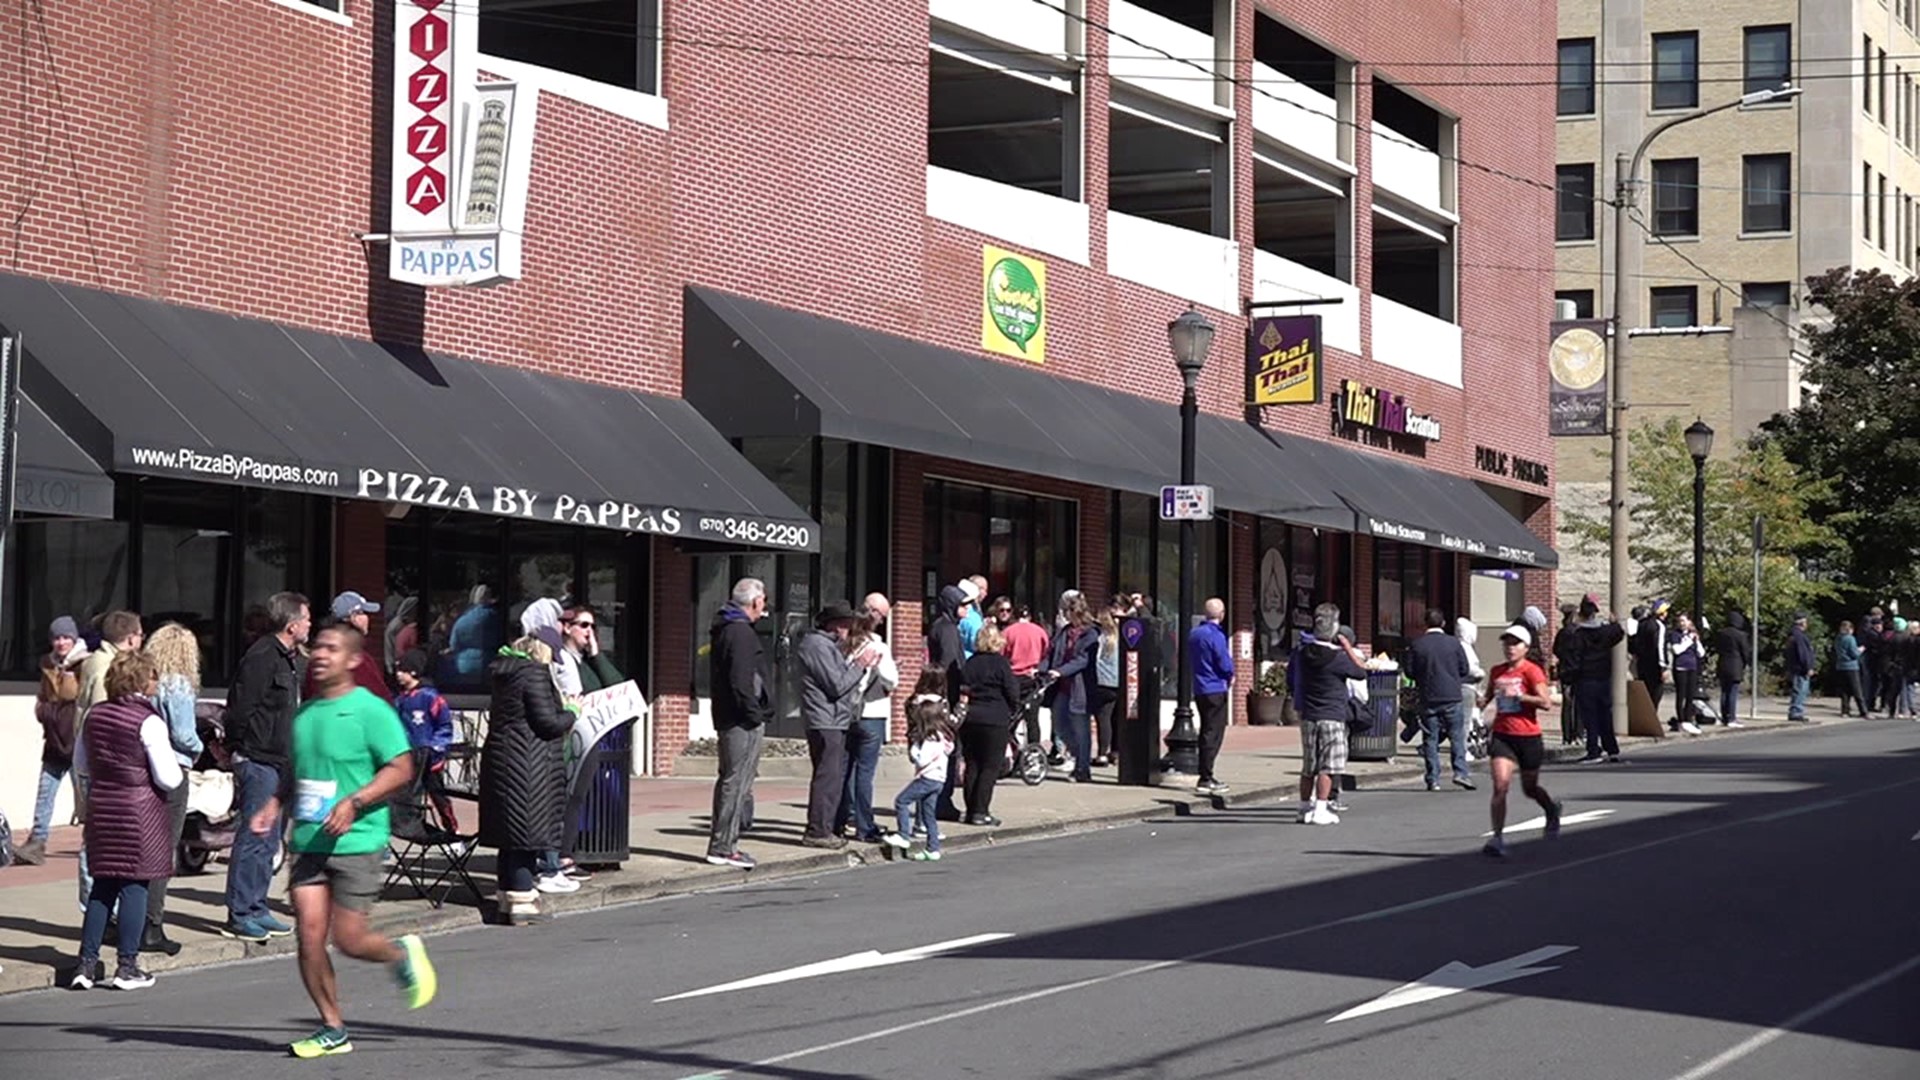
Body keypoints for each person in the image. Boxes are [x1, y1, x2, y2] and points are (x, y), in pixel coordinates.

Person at [248, 624, 435, 1057]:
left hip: (358, 839)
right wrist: (273, 805)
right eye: (317, 648)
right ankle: (333, 1027)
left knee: (349, 940)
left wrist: (355, 802)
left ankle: (401, 956)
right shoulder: (306, 715)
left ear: (352, 660)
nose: (320, 655)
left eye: (331, 649)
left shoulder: (371, 711)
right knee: (309, 937)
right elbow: (297, 773)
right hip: (311, 840)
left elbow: (401, 768)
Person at [68, 650, 181, 992]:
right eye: (153, 677)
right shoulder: (149, 721)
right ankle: (127, 966)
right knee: (135, 884)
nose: (156, 683)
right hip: (139, 809)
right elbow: (169, 778)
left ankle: (86, 965)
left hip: (103, 806)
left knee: (102, 885)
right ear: (142, 680)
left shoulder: (94, 715)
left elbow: (82, 765)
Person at [223, 592, 309, 942]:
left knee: (270, 839)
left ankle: (257, 906)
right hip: (258, 759)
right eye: (306, 619)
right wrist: (237, 747)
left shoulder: (288, 658)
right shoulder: (262, 656)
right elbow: (240, 709)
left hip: (280, 761)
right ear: (291, 625)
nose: (309, 625)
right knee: (254, 836)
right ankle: (240, 912)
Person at [478, 635, 575, 926]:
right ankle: (522, 901)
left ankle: (507, 898)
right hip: (531, 763)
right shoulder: (534, 673)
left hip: (502, 760)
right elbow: (547, 723)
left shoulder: (504, 674)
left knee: (510, 837)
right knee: (526, 835)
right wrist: (572, 712)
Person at [71, 610, 144, 912]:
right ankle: (97, 908)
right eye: (140, 634)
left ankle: (99, 907)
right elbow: (104, 722)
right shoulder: (106, 669)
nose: (142, 639)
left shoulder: (95, 661)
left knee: (98, 837)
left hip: (92, 765)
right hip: (100, 768)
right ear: (129, 639)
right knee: (99, 839)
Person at [141, 623, 204, 957]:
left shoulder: (147, 683)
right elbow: (183, 734)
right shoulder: (178, 685)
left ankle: (134, 920)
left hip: (145, 767)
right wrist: (199, 750)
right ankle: (153, 924)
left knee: (144, 846)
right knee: (164, 849)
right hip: (173, 767)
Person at [797, 600, 877, 848]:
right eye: (845, 625)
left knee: (832, 776)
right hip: (825, 720)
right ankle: (818, 831)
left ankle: (824, 827)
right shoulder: (817, 646)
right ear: (833, 625)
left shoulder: (827, 646)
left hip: (834, 719)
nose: (848, 630)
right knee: (827, 777)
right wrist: (860, 665)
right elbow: (836, 685)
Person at [1480, 625, 1563, 858]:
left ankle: (1551, 809)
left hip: (1528, 737)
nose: (1510, 648)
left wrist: (1521, 697)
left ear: (1525, 648)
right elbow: (1487, 698)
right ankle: (1497, 838)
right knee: (1500, 786)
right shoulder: (1497, 671)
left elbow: (1546, 702)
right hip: (1502, 735)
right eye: (1507, 643)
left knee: (1530, 788)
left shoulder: (1532, 671)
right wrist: (1480, 704)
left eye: (1515, 643)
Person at [705, 579, 771, 869]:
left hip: (731, 715)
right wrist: (753, 714)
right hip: (740, 720)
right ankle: (723, 846)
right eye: (763, 601)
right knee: (737, 781)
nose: (765, 607)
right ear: (755, 602)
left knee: (734, 780)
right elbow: (740, 680)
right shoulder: (740, 632)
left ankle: (725, 844)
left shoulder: (727, 628)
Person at [18, 616, 89, 866]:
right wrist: (43, 711)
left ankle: (95, 840)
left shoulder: (84, 664)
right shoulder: (47, 664)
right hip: (54, 740)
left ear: (74, 638)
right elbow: (44, 697)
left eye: (65, 637)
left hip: (77, 741)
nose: (60, 642)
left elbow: (78, 699)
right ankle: (37, 841)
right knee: (45, 792)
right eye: (57, 638)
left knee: (85, 795)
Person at [1294, 605, 1368, 825]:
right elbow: (1361, 671)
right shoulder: (1338, 658)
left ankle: (1303, 807)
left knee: (1309, 765)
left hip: (1309, 714)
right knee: (1328, 765)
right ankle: (1321, 808)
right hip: (1332, 714)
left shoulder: (1303, 653)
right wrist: (1347, 648)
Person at [837, 594, 899, 844]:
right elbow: (892, 679)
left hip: (848, 714)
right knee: (865, 773)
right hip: (872, 714)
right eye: (881, 616)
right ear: (872, 614)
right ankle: (864, 825)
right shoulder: (877, 646)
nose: (882, 621)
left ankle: (841, 820)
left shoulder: (844, 644)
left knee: (846, 770)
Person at [1406, 608, 1473, 793]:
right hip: (1452, 695)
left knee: (1430, 738)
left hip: (1428, 696)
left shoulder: (1417, 644)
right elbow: (1464, 669)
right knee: (1456, 736)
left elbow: (1409, 671)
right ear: (1443, 623)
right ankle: (1460, 772)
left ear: (1425, 624)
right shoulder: (1453, 643)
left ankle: (1433, 779)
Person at [882, 692, 955, 862]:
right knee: (929, 814)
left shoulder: (930, 739)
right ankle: (933, 848)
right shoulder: (943, 738)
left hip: (927, 779)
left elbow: (921, 760)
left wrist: (914, 747)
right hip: (938, 780)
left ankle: (903, 835)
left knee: (901, 801)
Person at [959, 623, 1019, 826]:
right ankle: (981, 811)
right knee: (990, 767)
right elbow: (1012, 691)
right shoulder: (1001, 664)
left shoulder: (970, 663)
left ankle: (970, 810)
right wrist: (1014, 708)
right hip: (995, 719)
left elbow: (964, 688)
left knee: (972, 765)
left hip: (971, 718)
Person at [393, 650, 458, 830]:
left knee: (438, 795)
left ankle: (452, 830)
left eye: (402, 670)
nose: (397, 675)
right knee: (403, 796)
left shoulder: (430, 697)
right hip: (408, 756)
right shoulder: (399, 700)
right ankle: (409, 828)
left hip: (430, 758)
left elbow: (444, 725)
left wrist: (436, 748)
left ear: (413, 672)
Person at [1561, 597, 1627, 763]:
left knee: (1590, 717)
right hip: (1603, 678)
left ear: (1581, 614)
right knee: (1605, 714)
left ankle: (1593, 750)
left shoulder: (1578, 635)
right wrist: (1615, 622)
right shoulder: (1605, 632)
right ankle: (1611, 749)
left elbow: (1573, 659)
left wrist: (1568, 678)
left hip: (1585, 679)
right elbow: (1618, 633)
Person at [1044, 591, 1100, 783]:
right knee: (1059, 723)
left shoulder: (1091, 633)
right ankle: (1079, 756)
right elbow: (1051, 653)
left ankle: (1083, 768)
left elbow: (1083, 660)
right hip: (1062, 687)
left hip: (1080, 689)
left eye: (1068, 612)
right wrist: (1041, 669)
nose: (1066, 615)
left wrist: (1060, 671)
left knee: (1080, 727)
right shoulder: (1064, 632)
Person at [304, 592, 389, 700]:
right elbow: (380, 698)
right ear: (354, 617)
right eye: (362, 612)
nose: (367, 618)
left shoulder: (317, 659)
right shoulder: (357, 660)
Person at [1189, 598, 1235, 795]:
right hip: (1215, 687)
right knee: (1213, 733)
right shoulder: (1216, 636)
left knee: (1206, 730)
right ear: (1222, 614)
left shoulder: (1194, 634)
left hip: (1200, 687)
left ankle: (1205, 774)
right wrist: (1230, 675)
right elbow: (1223, 661)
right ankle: (1206, 777)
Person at [1004, 603, 1052, 753]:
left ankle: (1013, 750)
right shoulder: (1040, 632)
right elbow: (1046, 653)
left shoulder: (1007, 632)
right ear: (1029, 616)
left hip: (1013, 678)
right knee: (1032, 720)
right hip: (1032, 677)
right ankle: (1033, 754)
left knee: (1011, 718)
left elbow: (1002, 654)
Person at [926, 585, 968, 711]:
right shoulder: (947, 629)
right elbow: (949, 659)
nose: (967, 608)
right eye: (962, 605)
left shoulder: (943, 625)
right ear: (952, 605)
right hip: (948, 688)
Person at [1090, 603, 1122, 768]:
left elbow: (1094, 660)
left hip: (1103, 682)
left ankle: (1102, 753)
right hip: (1119, 683)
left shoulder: (1100, 637)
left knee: (1103, 718)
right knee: (1116, 718)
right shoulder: (1119, 636)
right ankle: (1116, 753)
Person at [1631, 599, 1671, 715]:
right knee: (1656, 694)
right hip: (1655, 665)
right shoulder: (1659, 626)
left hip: (1642, 664)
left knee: (1645, 694)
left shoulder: (1642, 624)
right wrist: (1663, 667)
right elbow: (1659, 647)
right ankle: (1652, 717)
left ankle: (1644, 717)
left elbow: (1636, 644)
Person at [1713, 610, 1752, 728]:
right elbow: (1745, 651)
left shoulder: (1721, 633)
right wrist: (1746, 662)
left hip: (1723, 663)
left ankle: (1724, 716)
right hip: (1736, 665)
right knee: (1733, 692)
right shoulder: (1741, 635)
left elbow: (1717, 647)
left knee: (1724, 692)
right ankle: (1732, 718)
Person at [1668, 614, 1705, 736]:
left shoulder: (1693, 634)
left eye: (1684, 621)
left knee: (1690, 695)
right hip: (1680, 667)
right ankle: (1681, 719)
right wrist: (1688, 640)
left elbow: (1701, 653)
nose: (1682, 623)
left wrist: (1697, 641)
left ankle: (1688, 718)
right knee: (1681, 694)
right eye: (1680, 621)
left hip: (1692, 667)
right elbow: (1677, 650)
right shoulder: (1675, 634)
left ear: (1689, 622)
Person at [1455, 617, 1486, 749]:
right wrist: (1480, 673)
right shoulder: (1465, 649)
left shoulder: (1462, 647)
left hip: (1467, 686)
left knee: (1464, 720)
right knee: (1465, 720)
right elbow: (1469, 668)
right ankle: (1462, 748)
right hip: (1466, 686)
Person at [1784, 613, 1815, 722]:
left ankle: (1796, 711)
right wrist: (1808, 667)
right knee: (1800, 690)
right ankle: (1796, 712)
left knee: (1799, 690)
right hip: (1800, 669)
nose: (1806, 624)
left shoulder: (1793, 635)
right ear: (1801, 623)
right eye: (1805, 622)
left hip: (1796, 667)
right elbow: (1803, 653)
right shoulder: (1799, 636)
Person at [1833, 620, 1865, 718]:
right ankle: (1863, 711)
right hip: (1851, 666)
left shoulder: (1838, 639)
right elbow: (1854, 654)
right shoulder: (1850, 639)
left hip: (1840, 666)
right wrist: (1860, 650)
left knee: (1844, 690)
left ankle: (1845, 711)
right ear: (1850, 629)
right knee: (1857, 690)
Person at [957, 577, 987, 660]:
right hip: (970, 661)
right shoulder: (973, 617)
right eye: (982, 589)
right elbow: (977, 644)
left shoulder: (955, 614)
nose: (985, 593)